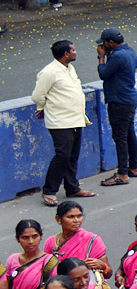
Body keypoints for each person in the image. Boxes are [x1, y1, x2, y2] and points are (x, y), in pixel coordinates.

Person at [32, 40, 94, 207]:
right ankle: (49, 190)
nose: (75, 52)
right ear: (66, 54)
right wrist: (42, 107)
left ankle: (72, 187)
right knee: (62, 155)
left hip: (76, 118)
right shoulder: (49, 72)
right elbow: (38, 95)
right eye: (73, 50)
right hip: (60, 121)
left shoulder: (69, 69)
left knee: (72, 155)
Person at [96, 27, 137, 186]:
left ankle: (122, 173)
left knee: (120, 137)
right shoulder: (129, 51)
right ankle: (134, 167)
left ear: (110, 42)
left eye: (104, 44)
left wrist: (101, 57)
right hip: (130, 98)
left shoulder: (117, 56)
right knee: (129, 133)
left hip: (119, 101)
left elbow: (104, 74)